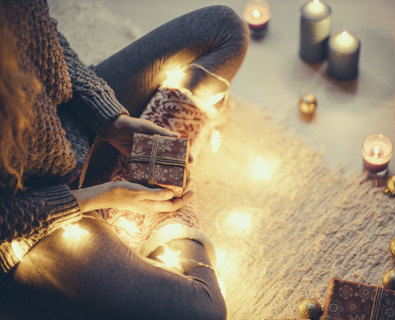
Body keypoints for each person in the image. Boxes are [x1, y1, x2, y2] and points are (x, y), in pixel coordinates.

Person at [0, 0, 249, 319]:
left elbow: (50, 44)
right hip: (33, 226)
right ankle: (168, 211)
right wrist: (100, 196)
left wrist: (110, 120)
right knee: (203, 310)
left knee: (223, 29)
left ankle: (151, 173)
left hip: (71, 123)